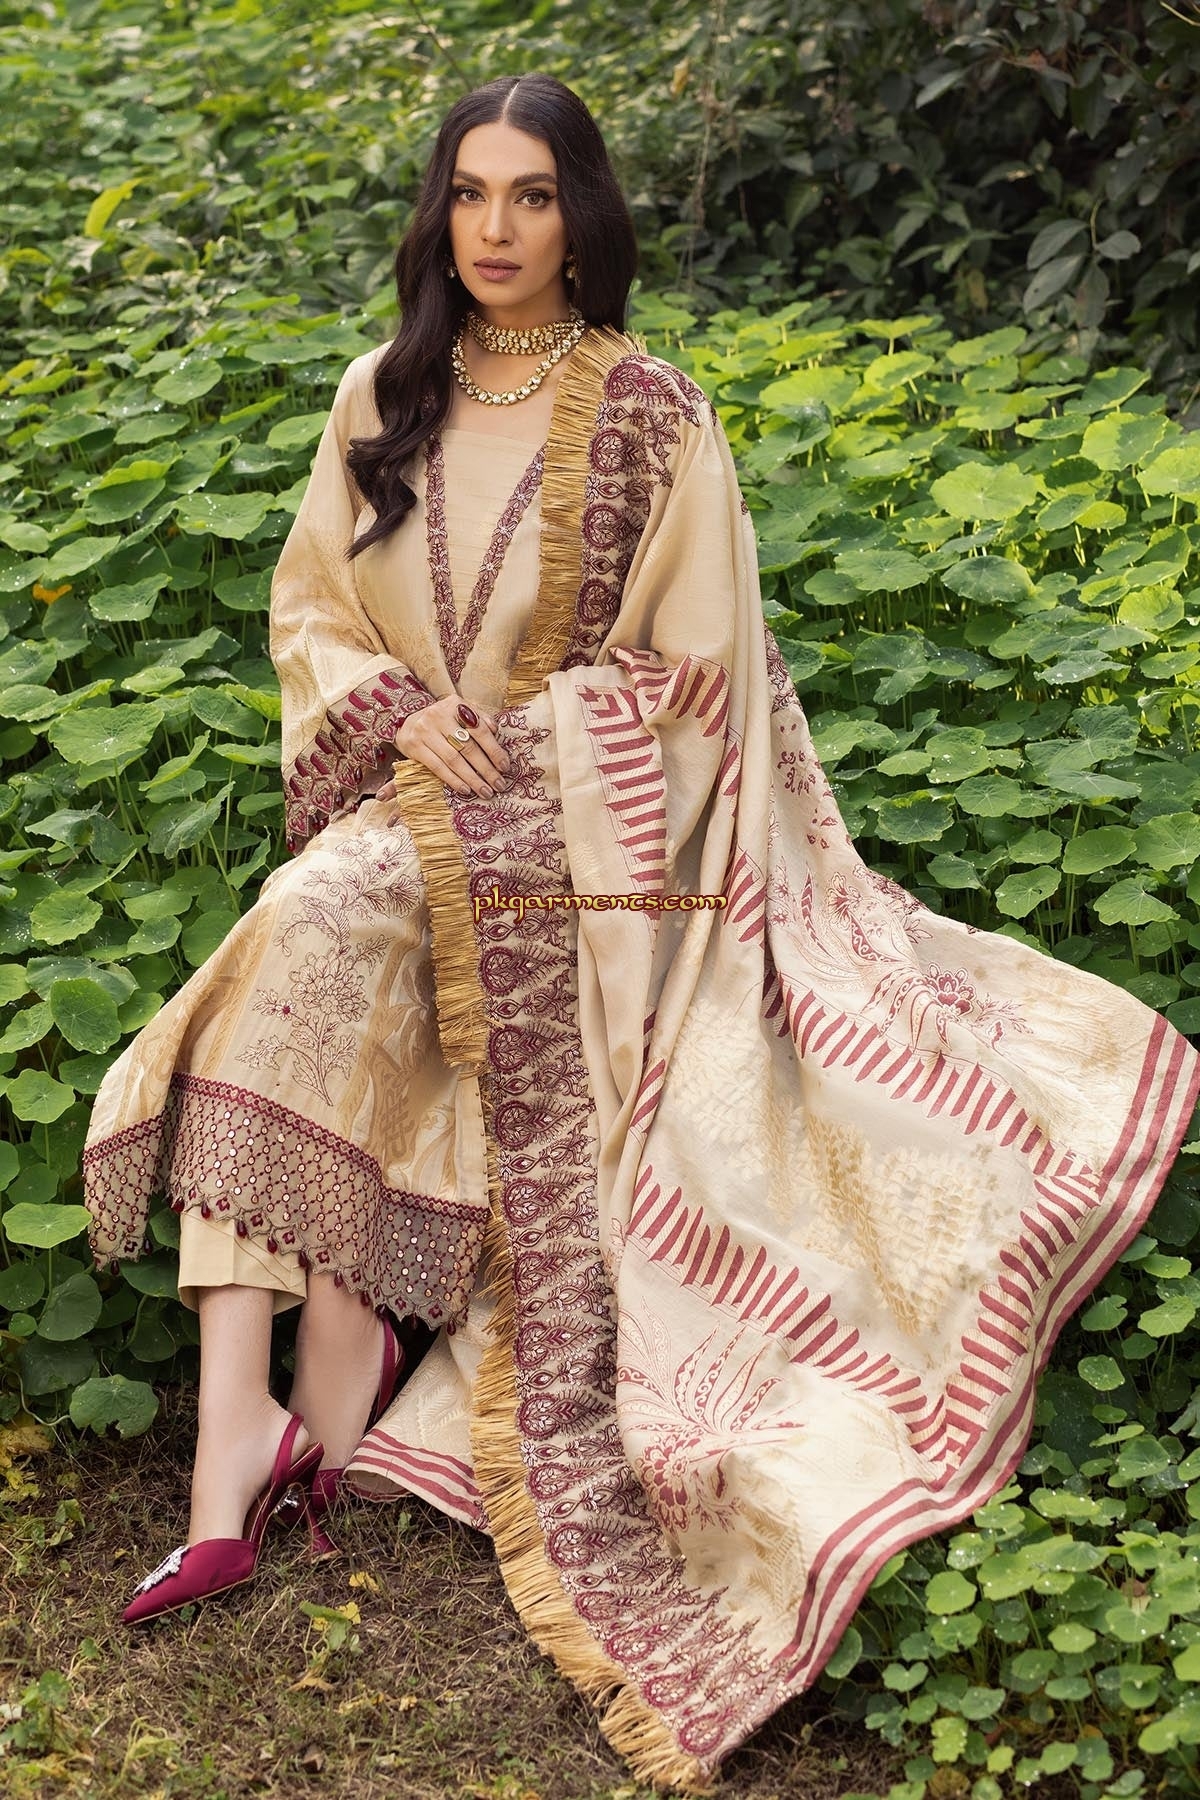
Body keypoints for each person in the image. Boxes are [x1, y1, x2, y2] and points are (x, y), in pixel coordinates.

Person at [82, 70, 1200, 1795]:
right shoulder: (380, 394)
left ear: (581, 216)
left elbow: (693, 682)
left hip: (583, 843)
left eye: (532, 196)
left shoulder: (654, 419)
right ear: (439, 211)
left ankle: (293, 1415)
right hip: (404, 807)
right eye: (471, 193)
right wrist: (401, 710)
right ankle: (260, 1428)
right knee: (301, 947)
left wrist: (522, 746)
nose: (498, 229)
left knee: (298, 941)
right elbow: (311, 612)